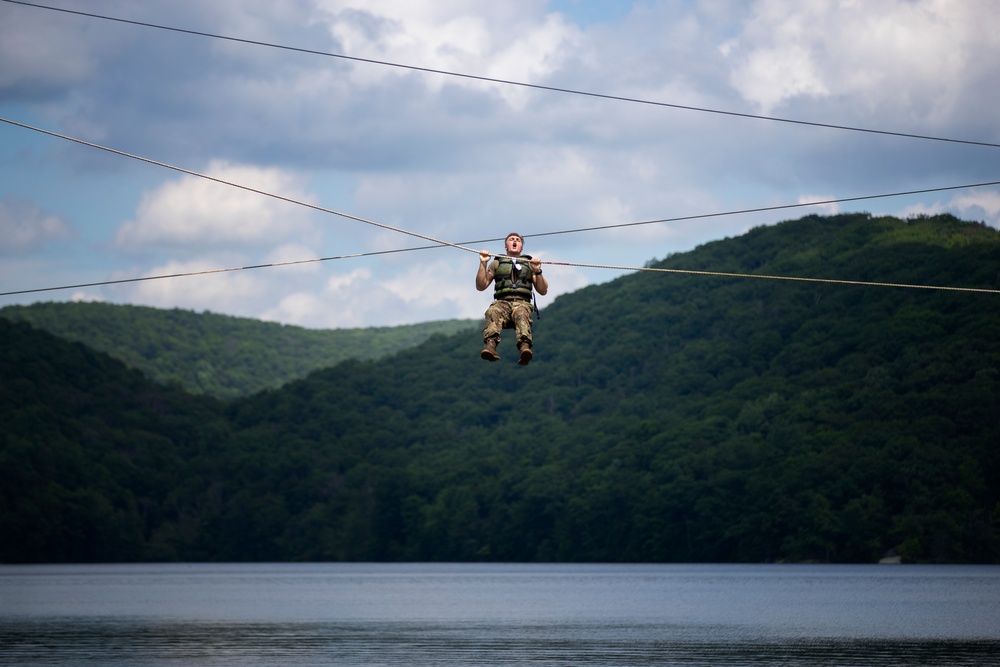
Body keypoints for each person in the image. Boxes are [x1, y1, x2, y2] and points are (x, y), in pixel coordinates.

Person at [476, 232, 548, 365]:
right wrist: (483, 263)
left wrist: (537, 271)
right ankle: (491, 346)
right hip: (502, 302)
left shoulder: (529, 264)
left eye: (518, 240)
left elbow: (543, 290)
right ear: (506, 246)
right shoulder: (497, 263)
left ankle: (524, 347)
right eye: (511, 239)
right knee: (493, 311)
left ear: (521, 247)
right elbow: (481, 286)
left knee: (521, 313)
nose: (514, 241)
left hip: (522, 303)